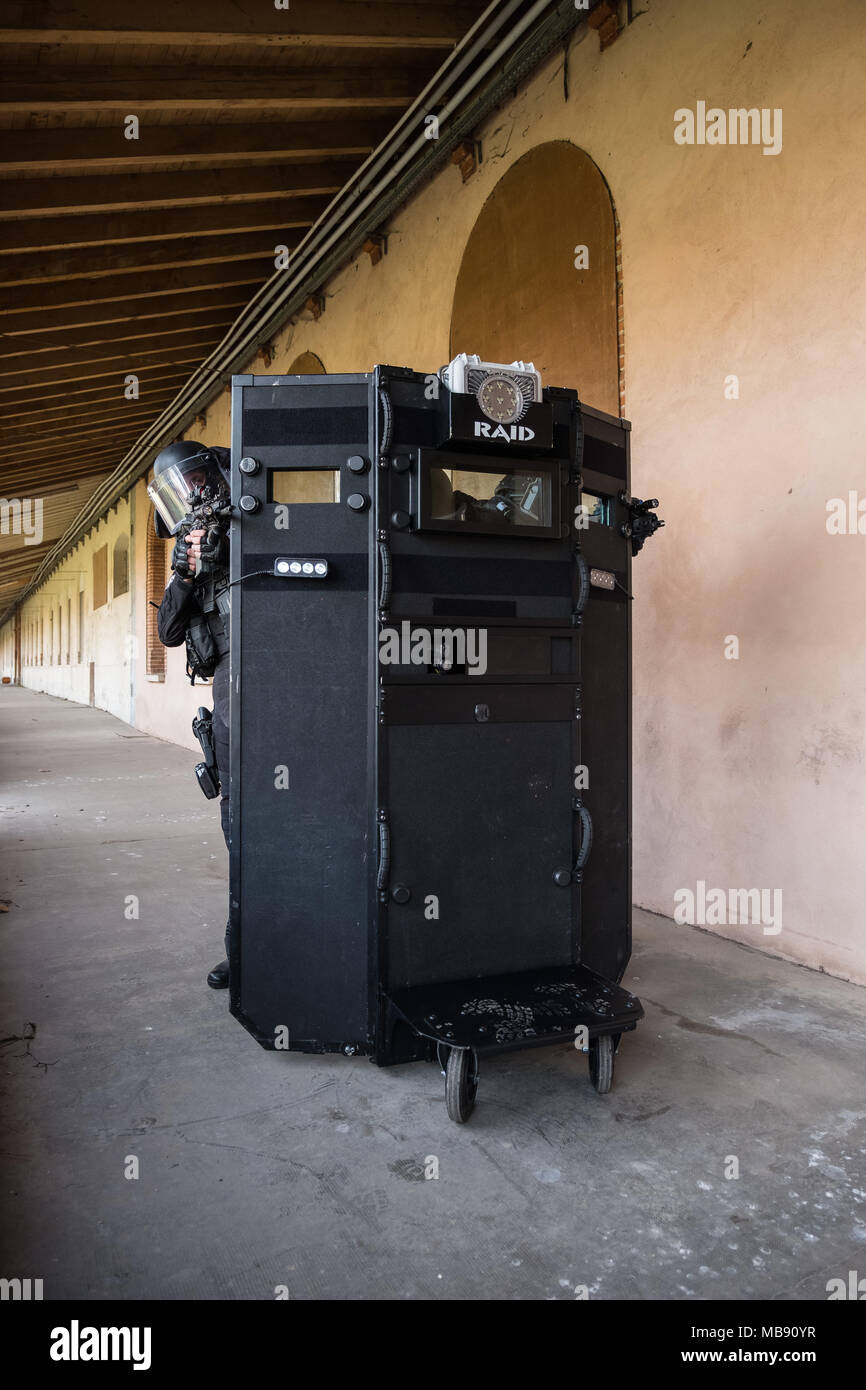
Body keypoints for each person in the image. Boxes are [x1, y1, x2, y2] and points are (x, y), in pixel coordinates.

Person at [149, 440, 233, 990]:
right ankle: (246, 947)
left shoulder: (256, 510)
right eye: (185, 491)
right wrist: (184, 575)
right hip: (234, 687)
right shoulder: (193, 550)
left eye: (198, 482)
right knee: (243, 823)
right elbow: (168, 633)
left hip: (297, 678)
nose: (196, 498)